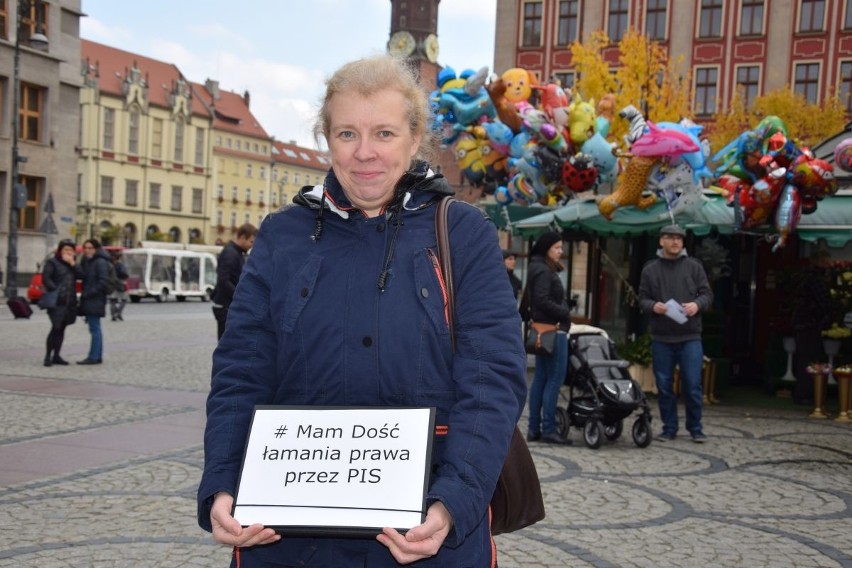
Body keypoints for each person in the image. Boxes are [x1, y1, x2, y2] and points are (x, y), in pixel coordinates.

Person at [197, 55, 527, 567]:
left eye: (385, 133)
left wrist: (454, 501)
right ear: (326, 138)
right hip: (289, 537)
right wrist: (221, 481)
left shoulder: (463, 234)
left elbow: (492, 379)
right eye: (347, 133)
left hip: (426, 530)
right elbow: (242, 370)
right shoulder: (283, 235)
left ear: (415, 138)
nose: (365, 153)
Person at [638, 224, 713, 443]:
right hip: (662, 337)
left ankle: (695, 428)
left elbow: (707, 294)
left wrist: (697, 305)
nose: (675, 242)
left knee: (692, 384)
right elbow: (642, 299)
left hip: (690, 335)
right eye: (670, 237)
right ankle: (669, 428)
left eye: (679, 238)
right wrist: (653, 306)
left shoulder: (694, 266)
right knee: (664, 386)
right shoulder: (650, 269)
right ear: (661, 241)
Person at [524, 231, 573, 445]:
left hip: (541, 330)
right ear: (547, 248)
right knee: (553, 380)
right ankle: (549, 428)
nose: (561, 251)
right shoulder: (544, 271)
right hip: (552, 331)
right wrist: (565, 311)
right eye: (557, 247)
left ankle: (534, 428)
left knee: (541, 379)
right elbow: (542, 300)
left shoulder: (537, 268)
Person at [211, 223, 257, 340]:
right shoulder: (231, 253)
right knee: (226, 344)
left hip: (228, 305)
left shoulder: (236, 252)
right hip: (226, 306)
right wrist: (240, 296)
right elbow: (223, 280)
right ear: (242, 237)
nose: (252, 245)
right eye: (251, 242)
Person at [42, 240, 81, 366]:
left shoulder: (73, 264)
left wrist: (73, 264)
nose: (68, 252)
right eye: (65, 250)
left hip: (69, 302)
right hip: (56, 301)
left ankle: (56, 355)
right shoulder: (52, 262)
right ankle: (48, 356)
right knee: (56, 327)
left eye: (70, 250)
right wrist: (55, 290)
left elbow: (82, 275)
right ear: (60, 251)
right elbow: (46, 278)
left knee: (62, 328)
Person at [77, 238, 111, 364]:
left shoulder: (100, 262)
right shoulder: (87, 261)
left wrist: (89, 293)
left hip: (95, 299)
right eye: (85, 248)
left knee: (94, 328)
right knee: (94, 328)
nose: (87, 250)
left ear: (96, 249)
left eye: (90, 248)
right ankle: (96, 355)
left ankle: (94, 356)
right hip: (91, 298)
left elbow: (103, 281)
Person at [108, 250, 129, 321]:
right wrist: (126, 276)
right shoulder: (120, 265)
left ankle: (113, 315)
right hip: (120, 283)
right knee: (124, 299)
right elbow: (123, 273)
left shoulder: (109, 265)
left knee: (112, 300)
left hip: (111, 283)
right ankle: (118, 313)